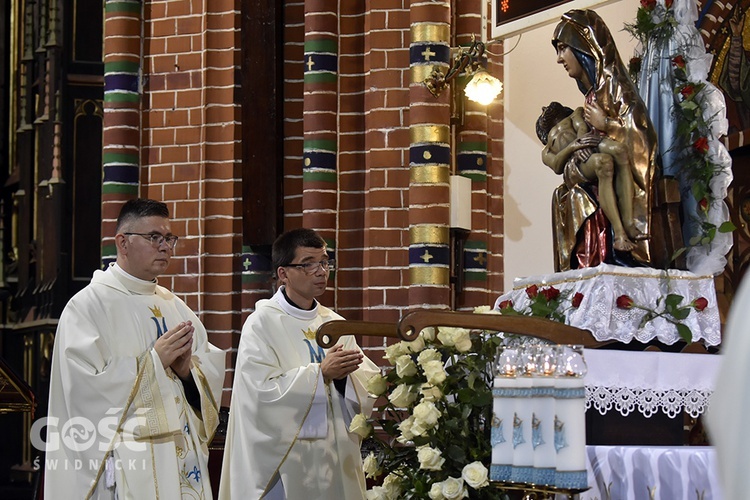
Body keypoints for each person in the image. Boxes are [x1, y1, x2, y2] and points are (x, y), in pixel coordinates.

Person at [44, 198, 225, 499]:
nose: (166, 246)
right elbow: (81, 391)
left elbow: (206, 375)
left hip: (180, 460)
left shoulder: (176, 307)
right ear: (122, 242)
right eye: (154, 237)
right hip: (129, 461)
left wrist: (185, 373)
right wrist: (155, 361)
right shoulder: (88, 307)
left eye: (169, 238)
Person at [219, 228, 378, 500]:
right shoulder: (262, 323)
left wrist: (342, 379)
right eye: (308, 264)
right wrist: (321, 374)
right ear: (283, 273)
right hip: (286, 466)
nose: (321, 271)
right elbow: (259, 396)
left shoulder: (336, 324)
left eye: (325, 262)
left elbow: (365, 385)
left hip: (334, 459)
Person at [551, 9, 678, 270]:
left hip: (620, 173)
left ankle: (618, 241)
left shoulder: (616, 87)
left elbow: (642, 138)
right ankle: (587, 263)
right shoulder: (592, 93)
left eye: (564, 48)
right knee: (567, 194)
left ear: (584, 47)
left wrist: (605, 125)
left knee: (592, 183)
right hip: (597, 166)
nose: (559, 59)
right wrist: (582, 147)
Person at [536, 101, 640, 252]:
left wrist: (582, 143)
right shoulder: (546, 151)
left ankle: (629, 222)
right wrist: (574, 147)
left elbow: (582, 126)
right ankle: (619, 234)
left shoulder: (574, 114)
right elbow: (557, 165)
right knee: (604, 163)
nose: (543, 107)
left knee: (620, 150)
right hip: (573, 163)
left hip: (588, 143)